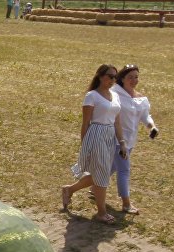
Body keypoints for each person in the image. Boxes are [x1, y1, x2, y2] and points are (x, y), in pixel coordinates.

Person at [61, 64, 127, 224]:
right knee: (102, 174)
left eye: (115, 77)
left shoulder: (115, 95)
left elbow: (117, 121)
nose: (113, 80)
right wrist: (85, 144)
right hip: (96, 134)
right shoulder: (92, 96)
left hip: (109, 135)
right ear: (100, 76)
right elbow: (85, 123)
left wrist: (122, 142)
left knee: (99, 173)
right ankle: (101, 212)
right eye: (110, 76)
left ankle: (69, 189)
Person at [109, 64, 158, 214]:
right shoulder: (114, 93)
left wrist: (152, 126)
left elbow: (145, 115)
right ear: (122, 78)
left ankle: (77, 188)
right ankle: (126, 204)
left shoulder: (140, 98)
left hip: (130, 140)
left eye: (136, 77)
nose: (134, 80)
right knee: (124, 170)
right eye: (130, 77)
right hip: (116, 138)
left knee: (112, 167)